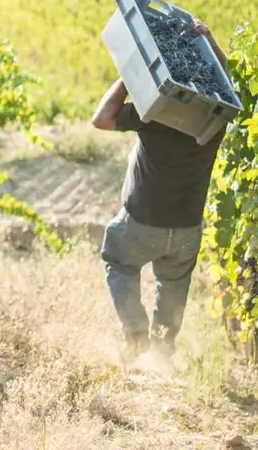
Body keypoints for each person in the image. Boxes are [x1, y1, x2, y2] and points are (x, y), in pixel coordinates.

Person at [89, 19, 231, 364]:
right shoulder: (217, 121)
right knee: (173, 284)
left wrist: (130, 75)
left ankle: (137, 337)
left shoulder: (153, 112)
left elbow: (102, 119)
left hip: (141, 222)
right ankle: (163, 352)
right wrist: (209, 40)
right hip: (186, 228)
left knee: (119, 263)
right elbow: (225, 81)